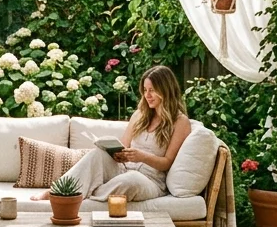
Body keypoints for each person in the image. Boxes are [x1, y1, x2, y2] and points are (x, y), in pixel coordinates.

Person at [38, 65, 192, 202]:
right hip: (124, 168)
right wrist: (118, 153)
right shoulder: (140, 115)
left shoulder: (180, 121)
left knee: (131, 180)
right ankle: (58, 191)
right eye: (145, 90)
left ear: (165, 90)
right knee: (96, 154)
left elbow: (167, 162)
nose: (147, 95)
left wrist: (142, 156)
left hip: (150, 180)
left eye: (152, 90)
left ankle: (81, 194)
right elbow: (124, 144)